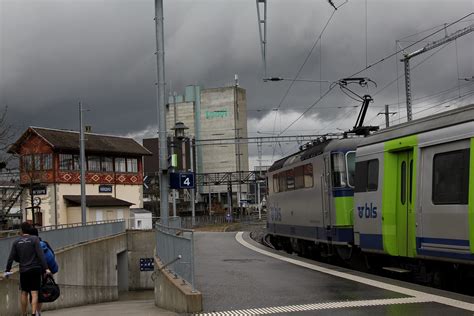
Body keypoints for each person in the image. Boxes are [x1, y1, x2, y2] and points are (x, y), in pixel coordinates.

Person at [4, 222, 51, 316]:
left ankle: (24, 314)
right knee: (34, 293)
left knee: (24, 292)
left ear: (21, 230)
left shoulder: (16, 242)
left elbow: (11, 257)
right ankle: (33, 313)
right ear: (30, 229)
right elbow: (40, 255)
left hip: (24, 270)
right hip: (35, 270)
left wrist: (7, 270)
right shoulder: (35, 239)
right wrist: (46, 268)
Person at [28, 227, 59, 314]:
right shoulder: (45, 243)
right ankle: (39, 311)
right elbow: (52, 254)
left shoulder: (31, 244)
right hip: (45, 271)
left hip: (33, 270)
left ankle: (35, 312)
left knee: (33, 293)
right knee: (41, 292)